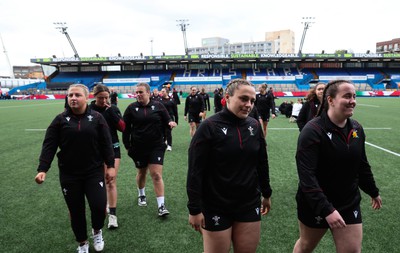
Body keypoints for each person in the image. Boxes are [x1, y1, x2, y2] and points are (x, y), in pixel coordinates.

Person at [292, 79, 382, 253]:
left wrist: (373, 190)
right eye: (347, 96)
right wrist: (326, 209)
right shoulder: (312, 131)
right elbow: (307, 177)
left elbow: (361, 164)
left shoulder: (357, 128)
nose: (353, 100)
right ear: (330, 100)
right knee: (305, 246)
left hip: (348, 201)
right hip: (315, 204)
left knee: (352, 250)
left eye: (354, 96)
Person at [187, 79, 272, 253]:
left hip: (249, 203)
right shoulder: (209, 127)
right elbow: (195, 171)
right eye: (243, 99)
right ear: (227, 97)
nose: (249, 105)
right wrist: (194, 209)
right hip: (215, 205)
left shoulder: (255, 126)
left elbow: (262, 162)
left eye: (252, 101)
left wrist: (266, 193)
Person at [35, 84, 116, 253]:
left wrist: (110, 166)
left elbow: (106, 143)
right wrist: (43, 169)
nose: (73, 98)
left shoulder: (97, 118)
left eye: (77, 95)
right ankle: (82, 242)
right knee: (75, 209)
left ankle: (97, 231)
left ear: (86, 98)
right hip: (69, 174)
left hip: (93, 171)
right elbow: (49, 145)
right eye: (70, 95)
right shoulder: (59, 120)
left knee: (99, 206)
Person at [122, 82, 177, 217]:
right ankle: (141, 194)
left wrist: (170, 123)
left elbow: (167, 119)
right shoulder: (131, 108)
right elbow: (125, 129)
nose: (138, 95)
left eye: (141, 92)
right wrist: (127, 146)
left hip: (156, 146)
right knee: (142, 173)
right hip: (138, 147)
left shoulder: (158, 106)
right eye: (137, 92)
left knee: (156, 175)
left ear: (148, 92)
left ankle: (161, 205)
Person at [89, 84, 125, 229]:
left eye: (106, 97)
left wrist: (112, 115)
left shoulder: (113, 109)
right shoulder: (88, 110)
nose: (104, 100)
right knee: (99, 182)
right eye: (100, 98)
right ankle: (102, 207)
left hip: (113, 148)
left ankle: (113, 216)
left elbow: (123, 128)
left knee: (110, 181)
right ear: (94, 96)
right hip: (94, 151)